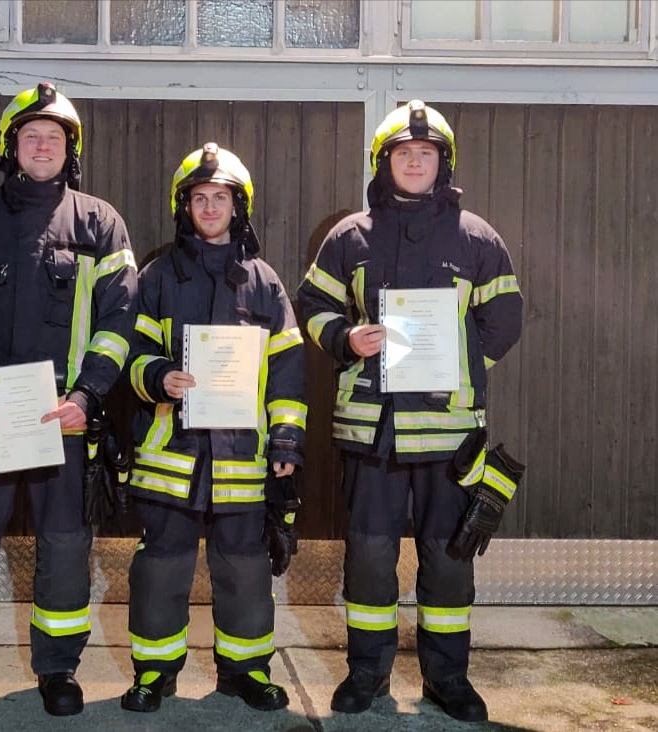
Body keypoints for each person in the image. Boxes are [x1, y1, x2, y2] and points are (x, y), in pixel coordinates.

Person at [0, 82, 138, 717]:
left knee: (64, 547)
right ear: (10, 147)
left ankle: (58, 670)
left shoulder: (100, 223)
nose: (42, 146)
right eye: (30, 136)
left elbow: (118, 322)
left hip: (62, 420)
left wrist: (88, 395)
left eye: (54, 137)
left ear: (71, 150)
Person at [297, 100, 523, 723]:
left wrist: (458, 367)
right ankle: (366, 674)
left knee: (448, 559)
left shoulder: (477, 238)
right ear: (384, 163)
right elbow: (311, 304)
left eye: (426, 153)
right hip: (372, 431)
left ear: (443, 163)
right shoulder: (351, 237)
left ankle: (448, 679)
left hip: (450, 437)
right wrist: (346, 338)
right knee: (369, 556)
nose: (415, 162)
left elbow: (504, 320)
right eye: (404, 153)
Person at [119, 143, 307, 714]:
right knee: (161, 568)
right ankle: (154, 672)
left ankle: (246, 671)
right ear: (184, 206)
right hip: (170, 457)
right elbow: (130, 354)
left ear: (237, 206)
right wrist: (158, 376)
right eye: (198, 198)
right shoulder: (157, 276)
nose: (209, 207)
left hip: (240, 460)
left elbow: (287, 370)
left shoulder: (264, 283)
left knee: (245, 568)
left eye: (220, 198)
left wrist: (286, 439)